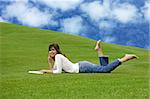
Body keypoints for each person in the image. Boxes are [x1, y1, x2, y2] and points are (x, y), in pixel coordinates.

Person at [40, 40, 138, 74]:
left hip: (82, 67)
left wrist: (44, 71)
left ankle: (124, 58)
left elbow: (57, 72)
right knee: (104, 67)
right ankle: (99, 50)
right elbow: (54, 70)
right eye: (50, 49)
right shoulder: (57, 58)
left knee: (105, 70)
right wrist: (49, 61)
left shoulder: (58, 56)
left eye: (53, 49)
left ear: (57, 50)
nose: (51, 51)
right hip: (81, 66)